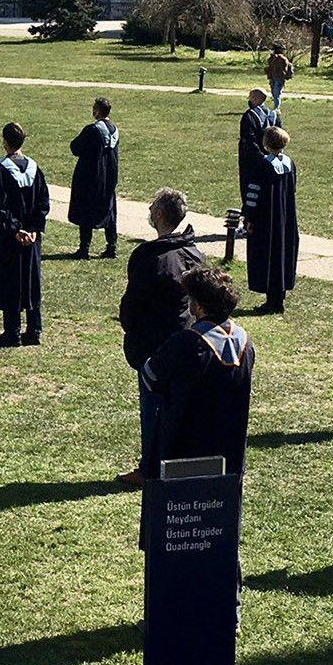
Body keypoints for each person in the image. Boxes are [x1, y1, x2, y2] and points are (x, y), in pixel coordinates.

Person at [117, 188, 206, 484]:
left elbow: (133, 305)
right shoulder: (193, 252)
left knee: (153, 409)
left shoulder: (151, 258)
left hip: (156, 347)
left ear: (158, 215)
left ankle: (150, 468)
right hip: (189, 341)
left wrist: (131, 328)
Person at [141, 266, 254, 478]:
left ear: (197, 305)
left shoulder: (187, 343)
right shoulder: (245, 342)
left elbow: (150, 376)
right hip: (230, 453)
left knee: (184, 508)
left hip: (184, 452)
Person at [0, 121, 49, 346]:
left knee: (11, 280)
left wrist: (16, 230)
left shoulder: (0, 170)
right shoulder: (35, 168)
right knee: (32, 279)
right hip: (32, 240)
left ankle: (12, 332)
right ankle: (34, 329)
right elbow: (44, 202)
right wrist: (34, 229)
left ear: (4, 141)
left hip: (10, 240)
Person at [243, 125, 300, 314]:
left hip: (266, 220)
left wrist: (249, 217)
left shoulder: (263, 165)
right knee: (282, 254)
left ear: (266, 144)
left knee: (268, 256)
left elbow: (253, 194)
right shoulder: (289, 164)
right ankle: (279, 299)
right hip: (285, 218)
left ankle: (271, 301)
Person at [68, 97, 121, 260]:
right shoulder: (114, 130)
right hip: (110, 176)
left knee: (87, 210)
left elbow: (75, 148)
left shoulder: (92, 130)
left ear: (98, 111)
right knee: (109, 210)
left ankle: (84, 248)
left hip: (91, 176)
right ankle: (111, 246)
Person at [236, 88, 278, 212]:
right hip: (271, 158)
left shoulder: (249, 116)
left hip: (252, 161)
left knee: (250, 190)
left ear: (256, 99)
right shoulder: (274, 115)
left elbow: (248, 140)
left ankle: (249, 219)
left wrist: (259, 157)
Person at [265, 44, 293, 109]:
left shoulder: (281, 58)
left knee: (276, 93)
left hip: (279, 78)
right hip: (273, 77)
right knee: (274, 93)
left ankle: (277, 108)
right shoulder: (272, 58)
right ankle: (276, 107)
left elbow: (283, 68)